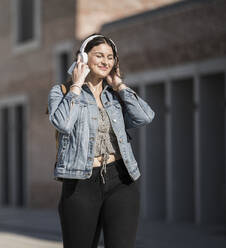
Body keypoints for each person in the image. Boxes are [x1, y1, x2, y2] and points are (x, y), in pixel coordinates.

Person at [47, 33, 155, 248]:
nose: (106, 61)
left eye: (110, 57)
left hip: (121, 180)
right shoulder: (62, 92)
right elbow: (63, 123)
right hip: (80, 182)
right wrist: (77, 84)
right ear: (83, 58)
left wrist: (119, 86)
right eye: (99, 55)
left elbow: (145, 116)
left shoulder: (113, 96)